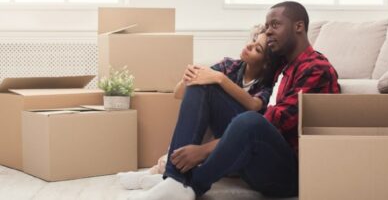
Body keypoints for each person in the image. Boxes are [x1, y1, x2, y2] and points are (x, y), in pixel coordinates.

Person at [131, 1, 340, 200]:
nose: (268, 32)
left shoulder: (316, 68)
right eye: (267, 27)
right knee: (202, 83)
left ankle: (192, 186)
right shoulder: (285, 67)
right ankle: (175, 180)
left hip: (291, 174)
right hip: (261, 157)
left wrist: (203, 151)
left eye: (275, 25)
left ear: (299, 27)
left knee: (251, 120)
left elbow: (271, 122)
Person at [118, 24, 281, 191]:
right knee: (201, 91)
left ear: (266, 64)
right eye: (253, 41)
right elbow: (179, 93)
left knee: (213, 93)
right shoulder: (230, 66)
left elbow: (254, 106)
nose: (249, 46)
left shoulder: (268, 85)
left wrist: (220, 78)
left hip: (235, 147)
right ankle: (163, 173)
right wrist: (186, 79)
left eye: (257, 49)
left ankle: (167, 174)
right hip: (214, 134)